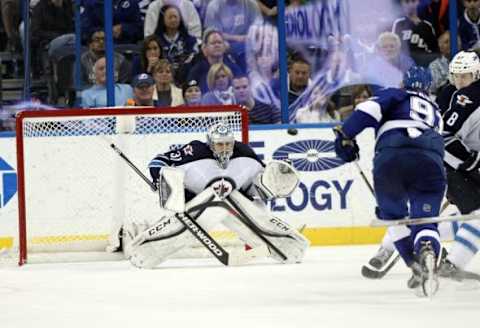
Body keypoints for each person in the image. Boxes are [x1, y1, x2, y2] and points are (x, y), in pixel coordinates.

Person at [122, 122, 309, 268]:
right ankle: (144, 246)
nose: (225, 148)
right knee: (218, 194)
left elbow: (256, 188)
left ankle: (281, 243)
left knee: (237, 198)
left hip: (233, 202)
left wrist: (268, 186)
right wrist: (159, 180)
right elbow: (157, 162)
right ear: (210, 143)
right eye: (220, 144)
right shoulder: (195, 150)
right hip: (194, 204)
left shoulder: (245, 153)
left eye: (228, 143)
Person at [362, 51, 480, 283]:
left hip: (442, 162)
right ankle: (449, 263)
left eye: (464, 76)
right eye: (456, 76)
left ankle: (391, 247)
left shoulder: (453, 95)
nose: (459, 82)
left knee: (462, 216)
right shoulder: (464, 96)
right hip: (448, 164)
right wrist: (469, 161)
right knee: (475, 216)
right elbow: (445, 135)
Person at [334, 66, 446, 296]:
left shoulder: (396, 94)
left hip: (393, 156)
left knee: (392, 216)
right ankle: (427, 248)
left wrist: (346, 136)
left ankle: (413, 264)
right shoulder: (436, 111)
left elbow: (367, 109)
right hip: (431, 162)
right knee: (425, 220)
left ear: (404, 83)